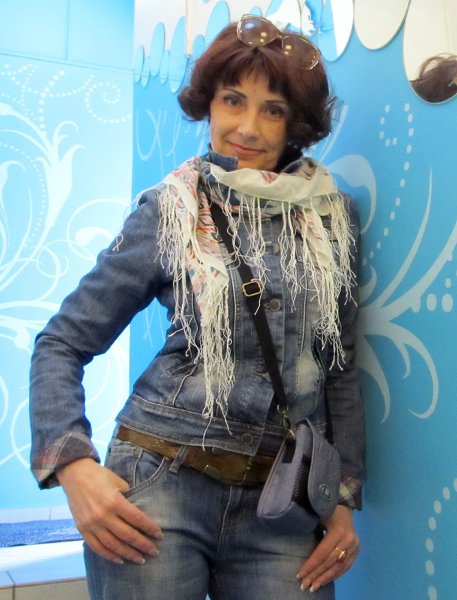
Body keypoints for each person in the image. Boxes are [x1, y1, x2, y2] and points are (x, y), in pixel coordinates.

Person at [29, 14, 365, 599]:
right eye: (233, 100)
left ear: (295, 124)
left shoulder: (333, 218)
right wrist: (73, 465)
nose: (248, 128)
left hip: (281, 504)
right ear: (209, 103)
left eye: (273, 110)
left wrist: (341, 499)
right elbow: (61, 342)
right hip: (159, 483)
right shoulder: (171, 209)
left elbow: (337, 368)